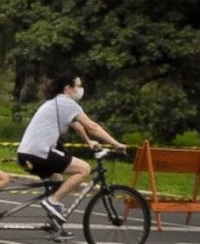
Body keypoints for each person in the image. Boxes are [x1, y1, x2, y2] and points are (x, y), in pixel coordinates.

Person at [16, 72, 125, 223]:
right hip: (39, 153)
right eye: (78, 86)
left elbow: (76, 124)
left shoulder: (55, 102)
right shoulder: (66, 103)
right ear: (68, 88)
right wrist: (116, 144)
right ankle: (52, 202)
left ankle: (54, 224)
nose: (81, 90)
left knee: (57, 181)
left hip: (26, 154)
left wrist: (88, 142)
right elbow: (92, 126)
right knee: (84, 169)